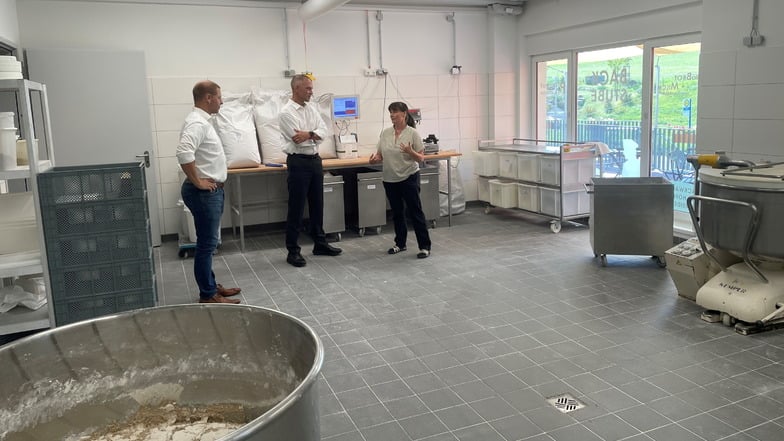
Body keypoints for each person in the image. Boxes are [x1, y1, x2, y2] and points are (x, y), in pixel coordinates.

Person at [177, 80, 241, 304]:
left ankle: (211, 286)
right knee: (207, 245)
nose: (222, 101)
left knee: (209, 242)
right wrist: (198, 182)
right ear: (208, 98)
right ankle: (208, 295)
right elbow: (184, 153)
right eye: (219, 97)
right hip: (205, 193)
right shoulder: (197, 123)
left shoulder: (203, 121)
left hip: (211, 191)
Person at [279, 74, 342, 267]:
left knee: (318, 204)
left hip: (315, 161)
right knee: (296, 207)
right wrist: (312, 135)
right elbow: (296, 138)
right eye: (307, 88)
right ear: (296, 88)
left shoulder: (311, 108)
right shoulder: (286, 112)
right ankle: (293, 251)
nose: (311, 92)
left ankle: (320, 243)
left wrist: (310, 134)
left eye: (311, 88)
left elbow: (324, 131)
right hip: (298, 162)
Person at [369, 101, 432, 258]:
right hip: (390, 179)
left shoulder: (412, 134)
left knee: (415, 212)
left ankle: (424, 246)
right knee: (397, 213)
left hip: (408, 177)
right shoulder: (385, 133)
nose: (392, 115)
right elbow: (380, 155)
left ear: (404, 114)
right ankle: (400, 244)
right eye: (390, 112)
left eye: (395, 112)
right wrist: (374, 159)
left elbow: (421, 158)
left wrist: (410, 151)